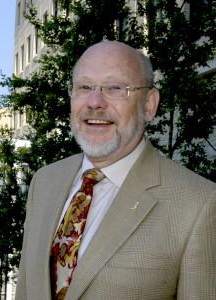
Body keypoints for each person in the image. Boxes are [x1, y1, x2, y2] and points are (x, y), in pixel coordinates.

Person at [15, 41, 216, 300]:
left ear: (149, 104)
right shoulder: (43, 182)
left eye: (115, 88)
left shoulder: (200, 204)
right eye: (84, 87)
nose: (95, 102)